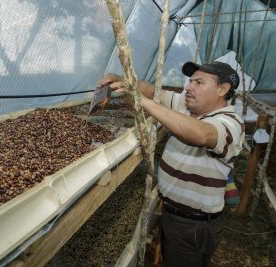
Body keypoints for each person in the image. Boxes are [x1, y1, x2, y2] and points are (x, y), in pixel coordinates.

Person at [98, 61, 244, 267]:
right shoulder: (189, 106)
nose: (188, 87)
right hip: (174, 215)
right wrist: (120, 80)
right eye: (190, 81)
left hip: (193, 224)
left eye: (199, 83)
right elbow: (151, 90)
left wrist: (143, 103)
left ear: (222, 89)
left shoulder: (231, 122)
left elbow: (203, 134)